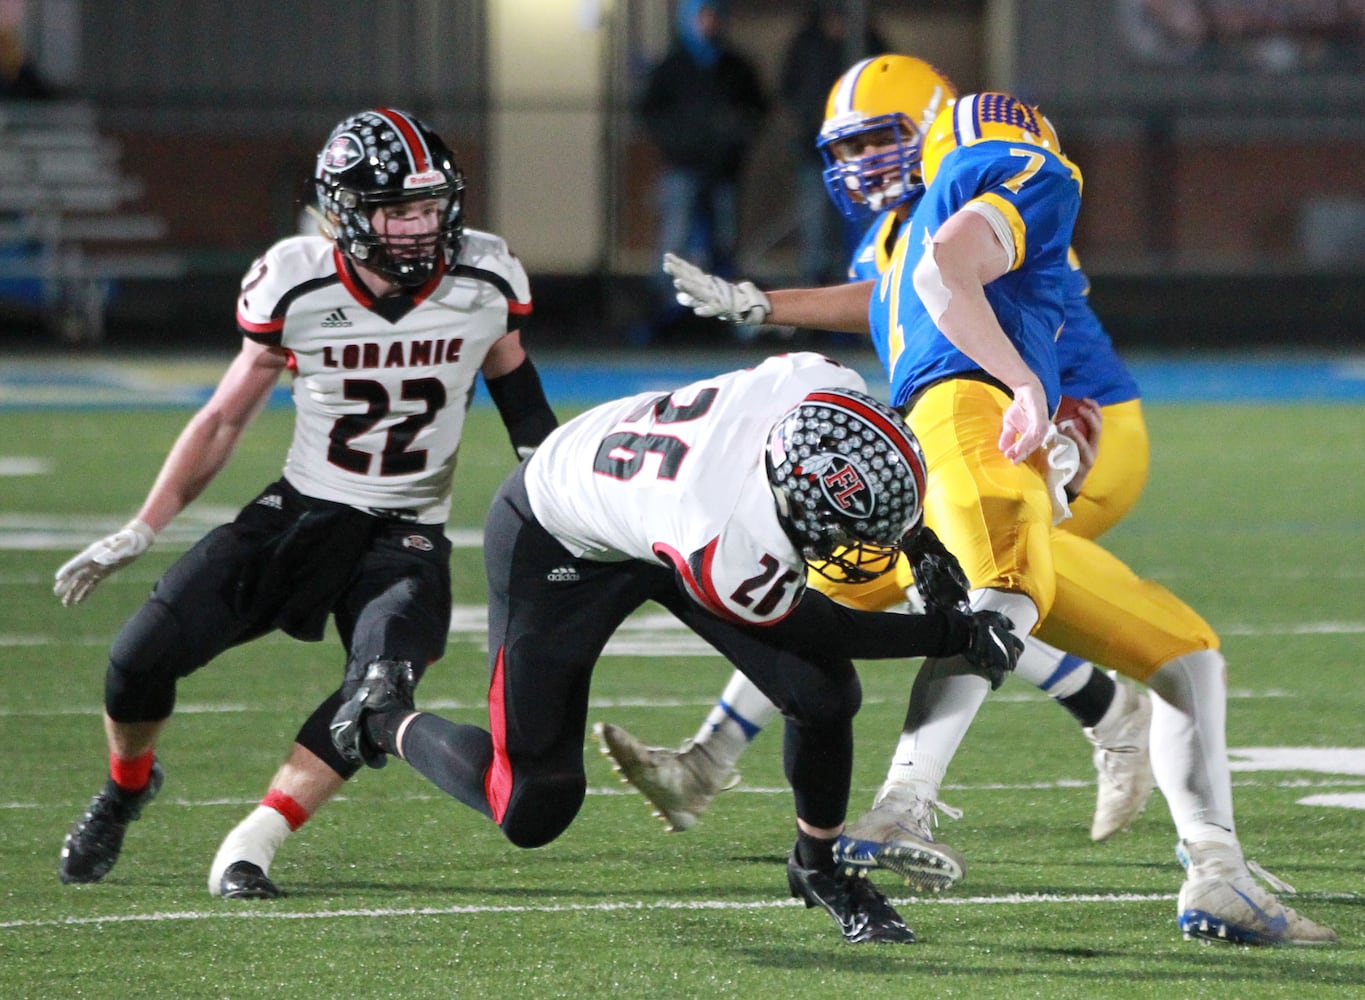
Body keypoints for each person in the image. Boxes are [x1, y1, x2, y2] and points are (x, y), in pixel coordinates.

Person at [646, 87, 1335, 946]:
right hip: (970, 425)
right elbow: (942, 268)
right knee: (996, 596)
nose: (862, 162)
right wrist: (1023, 382)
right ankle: (902, 804)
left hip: (916, 471)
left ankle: (1216, 871)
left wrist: (764, 303)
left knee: (1183, 656)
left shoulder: (916, 219)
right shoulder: (1028, 167)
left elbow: (908, 282)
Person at [599, 54, 1153, 850]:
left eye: (877, 141)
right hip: (982, 413)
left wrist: (1038, 400)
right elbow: (895, 294)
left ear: (931, 128)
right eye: (847, 150)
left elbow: (973, 286)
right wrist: (764, 302)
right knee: (833, 563)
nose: (860, 164)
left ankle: (1086, 717)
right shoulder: (900, 229)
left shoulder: (986, 188)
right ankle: (712, 759)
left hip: (1072, 425)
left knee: (967, 588)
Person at [325, 351, 1023, 944]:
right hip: (559, 535)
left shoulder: (820, 386)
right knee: (533, 804)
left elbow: (848, 457)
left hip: (658, 507)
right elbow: (828, 628)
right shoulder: (726, 540)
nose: (853, 547)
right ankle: (382, 715)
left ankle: (818, 867)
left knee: (820, 696)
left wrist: (914, 535)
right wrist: (952, 632)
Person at [52, 108, 559, 900]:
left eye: (430, 206)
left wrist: (563, 500)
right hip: (301, 513)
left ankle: (251, 844)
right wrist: (140, 527)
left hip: (407, 535)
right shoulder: (297, 279)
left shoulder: (486, 278)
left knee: (379, 691)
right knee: (136, 660)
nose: (421, 227)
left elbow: (524, 405)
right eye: (397, 209)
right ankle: (125, 789)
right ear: (344, 213)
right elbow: (222, 417)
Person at [635, 0, 767, 341]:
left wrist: (735, 135)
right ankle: (664, 315)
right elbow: (650, 113)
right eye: (702, 15)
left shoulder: (736, 67)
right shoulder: (673, 67)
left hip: (724, 172)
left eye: (713, 15)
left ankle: (729, 316)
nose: (708, 23)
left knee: (725, 242)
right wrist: (679, 142)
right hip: (683, 169)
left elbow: (757, 110)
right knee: (674, 244)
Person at [777, 1, 887, 286]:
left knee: (864, 228)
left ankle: (862, 290)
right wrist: (807, 124)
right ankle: (817, 300)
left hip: (863, 156)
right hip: (816, 152)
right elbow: (788, 90)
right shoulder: (806, 42)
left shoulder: (869, 41)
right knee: (816, 232)